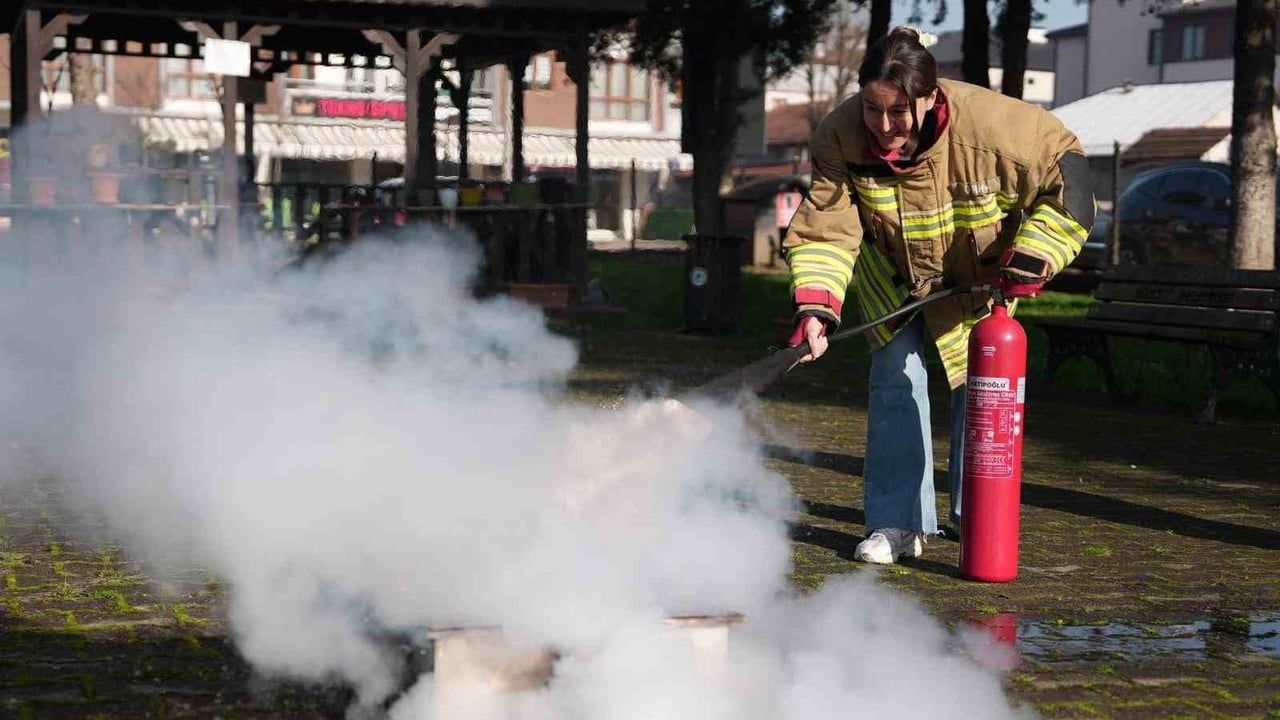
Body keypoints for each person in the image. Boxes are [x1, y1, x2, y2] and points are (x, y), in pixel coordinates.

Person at [781, 27, 1094, 564]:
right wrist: (817, 305)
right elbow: (827, 228)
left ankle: (979, 516)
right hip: (893, 280)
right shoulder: (839, 135)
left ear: (930, 97)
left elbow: (1073, 178)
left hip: (979, 279)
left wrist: (1036, 254)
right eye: (872, 109)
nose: (882, 128)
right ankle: (898, 523)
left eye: (898, 113)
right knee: (895, 382)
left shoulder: (995, 127)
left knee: (981, 394)